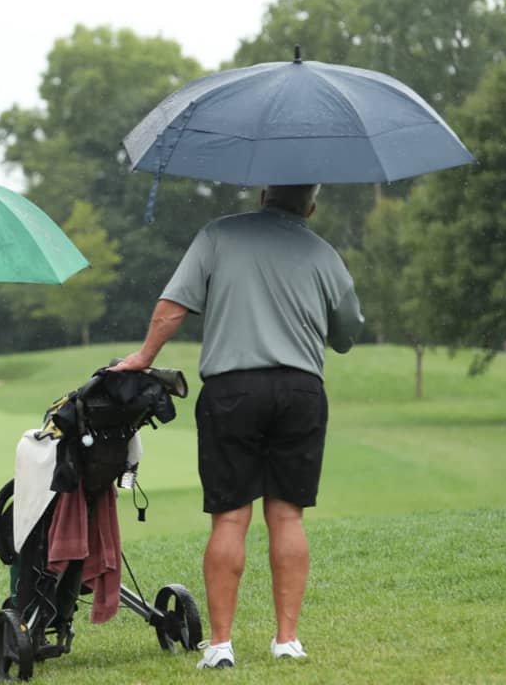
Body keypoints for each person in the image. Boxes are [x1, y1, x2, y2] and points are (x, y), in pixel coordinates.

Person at [112, 184, 364, 670]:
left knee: (230, 518)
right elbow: (346, 335)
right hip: (300, 391)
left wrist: (144, 357)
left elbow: (173, 306)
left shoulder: (217, 236)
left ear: (265, 193)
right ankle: (287, 640)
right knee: (287, 516)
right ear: (310, 206)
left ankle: (222, 645)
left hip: (232, 391)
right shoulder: (323, 252)